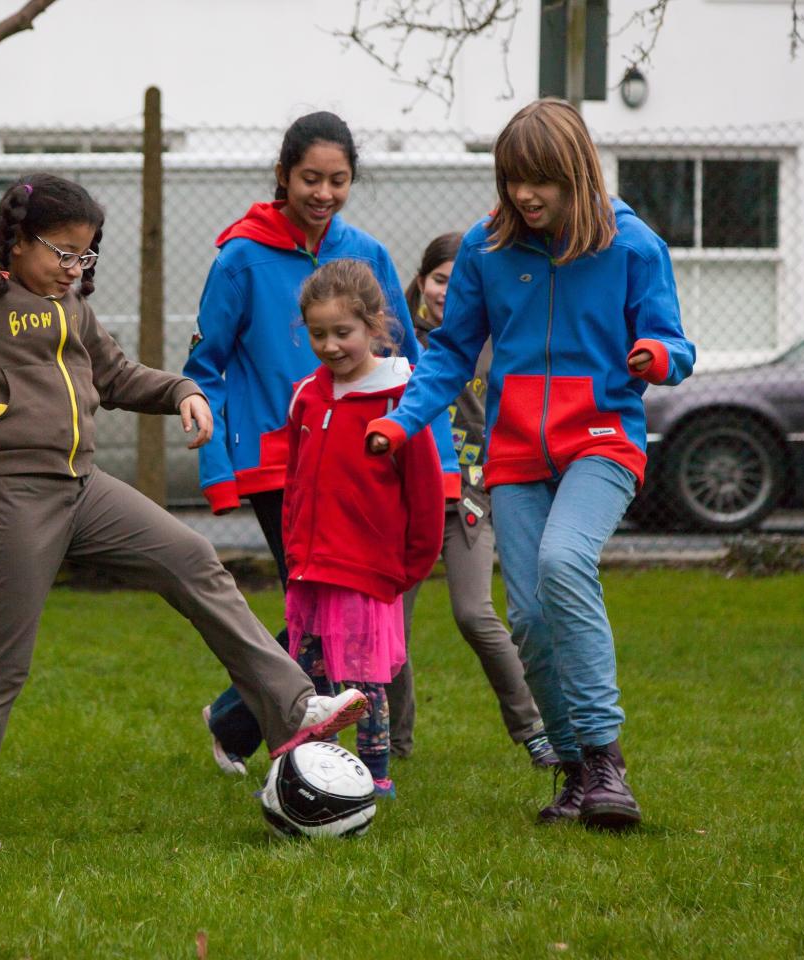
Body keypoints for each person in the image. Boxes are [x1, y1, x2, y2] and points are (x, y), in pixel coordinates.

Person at [0, 157, 370, 849]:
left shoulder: (72, 308)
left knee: (193, 556)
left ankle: (294, 706)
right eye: (62, 251)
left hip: (84, 487)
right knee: (1, 665)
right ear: (17, 240)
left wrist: (184, 392)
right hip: (7, 496)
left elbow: (118, 375)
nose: (75, 266)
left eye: (87, 253)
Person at [366, 100, 695, 829]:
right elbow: (451, 351)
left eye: (540, 180)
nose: (524, 195)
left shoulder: (633, 246)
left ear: (575, 171)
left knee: (564, 564)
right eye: (513, 179)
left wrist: (656, 355)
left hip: (602, 442)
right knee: (529, 620)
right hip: (514, 454)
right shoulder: (488, 249)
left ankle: (608, 763)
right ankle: (576, 775)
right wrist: (400, 421)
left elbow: (677, 344)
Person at [183, 111, 459, 774]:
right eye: (310, 178)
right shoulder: (240, 257)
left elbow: (411, 362)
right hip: (281, 461)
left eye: (338, 180)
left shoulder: (366, 252)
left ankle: (244, 718)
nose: (324, 192)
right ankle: (315, 749)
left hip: (364, 459)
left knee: (334, 606)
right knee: (319, 604)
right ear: (283, 176)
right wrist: (219, 468)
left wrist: (439, 463)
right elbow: (206, 364)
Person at [283, 260, 445, 799]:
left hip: (368, 570)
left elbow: (423, 494)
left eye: (342, 333)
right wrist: (293, 547)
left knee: (364, 681)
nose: (330, 346)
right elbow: (295, 480)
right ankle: (313, 769)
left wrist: (409, 566)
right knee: (311, 680)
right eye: (317, 334)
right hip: (312, 567)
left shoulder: (401, 398)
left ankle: (375, 778)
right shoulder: (307, 395)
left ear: (376, 324)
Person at [394, 233, 558, 769]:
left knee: (474, 613)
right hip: (407, 501)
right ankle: (394, 744)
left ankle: (534, 729)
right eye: (437, 280)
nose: (444, 292)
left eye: (452, 281)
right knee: (392, 628)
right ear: (422, 281)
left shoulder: (492, 336)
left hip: (470, 496)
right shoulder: (395, 340)